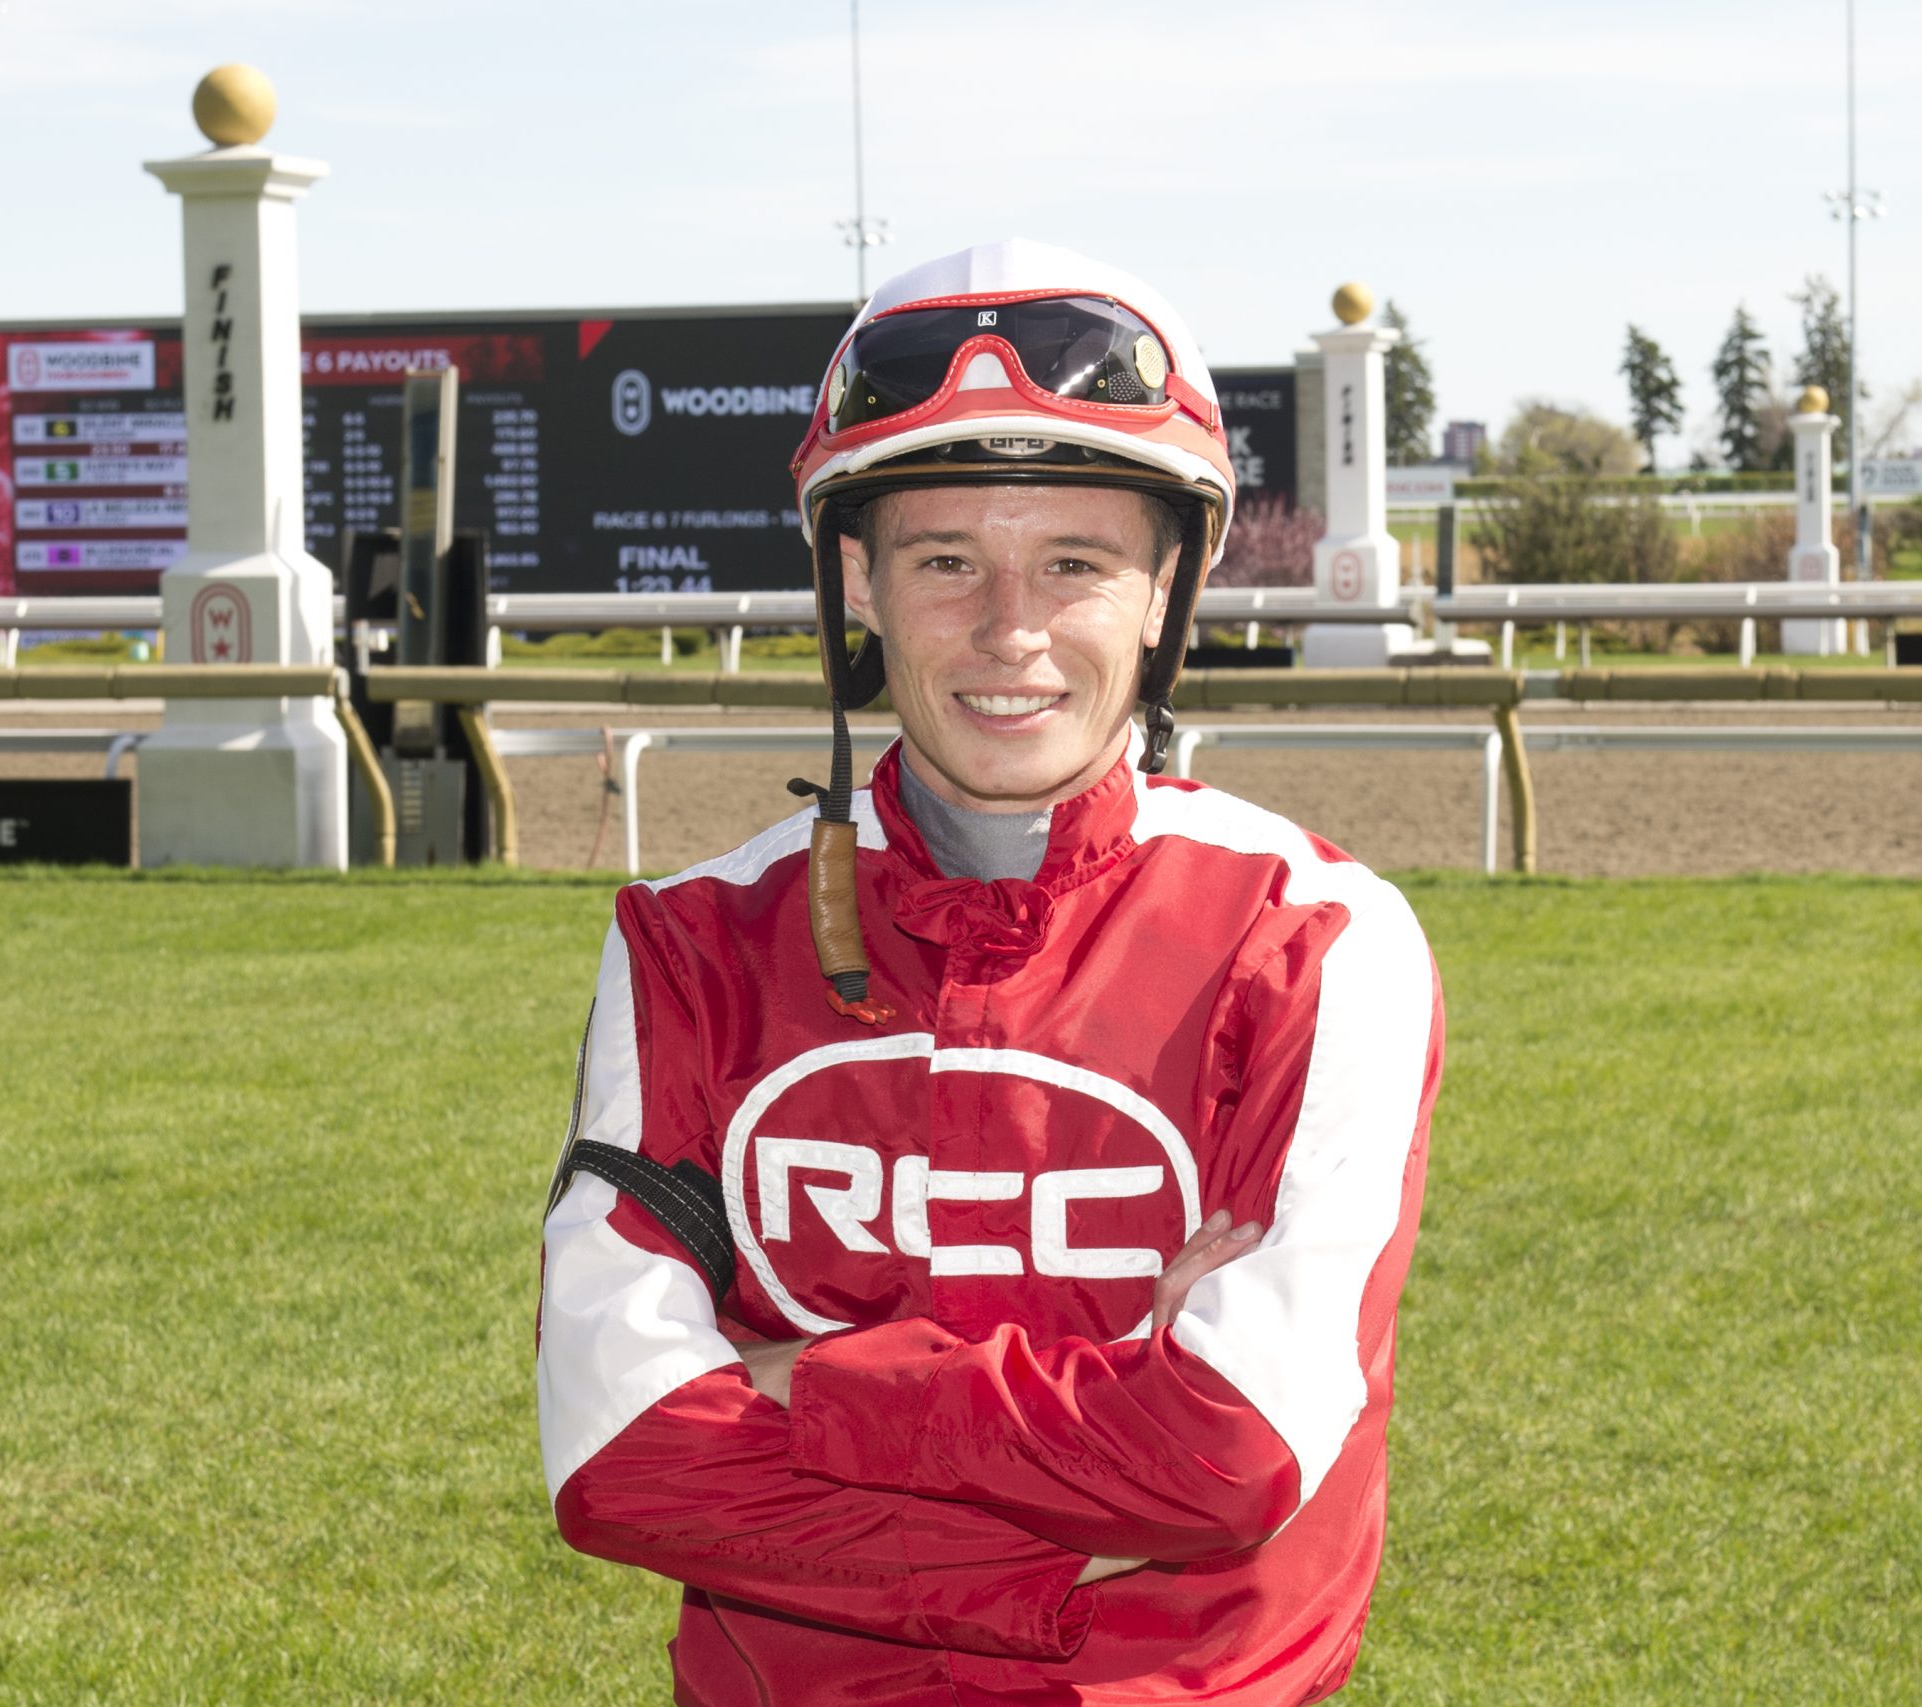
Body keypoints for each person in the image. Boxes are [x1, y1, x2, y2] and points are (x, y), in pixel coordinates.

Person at [537, 238, 1444, 1706]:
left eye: (1074, 564)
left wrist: (795, 1384)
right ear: (858, 580)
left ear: (1164, 589)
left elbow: (1236, 1449)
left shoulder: (1319, 939)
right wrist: (1081, 1523)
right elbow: (616, 1452)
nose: (1010, 629)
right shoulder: (690, 943)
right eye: (946, 560)